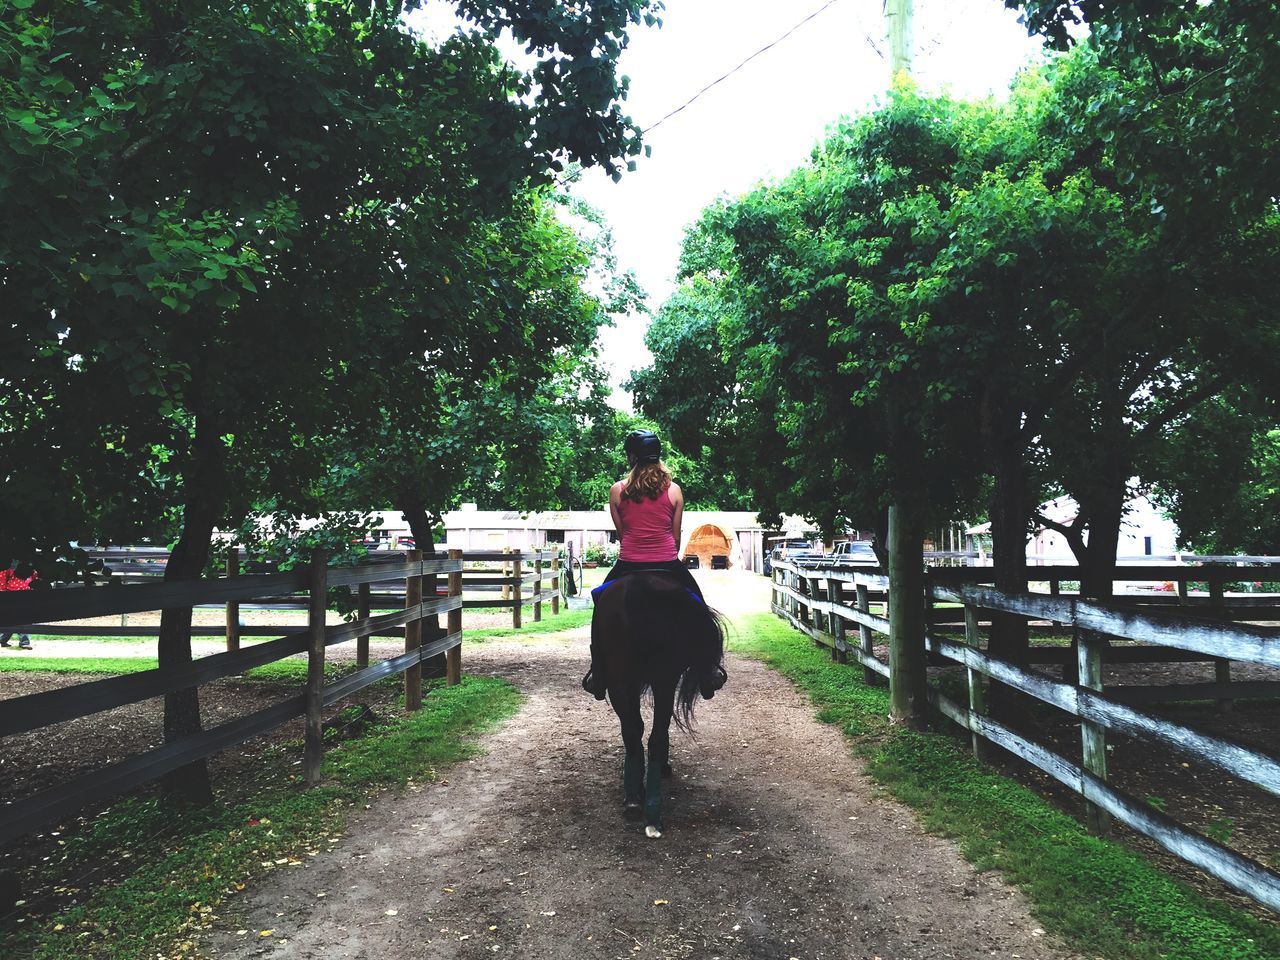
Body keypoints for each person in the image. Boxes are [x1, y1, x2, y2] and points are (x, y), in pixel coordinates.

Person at [581, 429, 726, 699]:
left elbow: (623, 534)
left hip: (628, 564)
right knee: (698, 604)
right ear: (657, 456)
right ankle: (707, 670)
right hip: (667, 564)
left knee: (601, 604)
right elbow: (675, 535)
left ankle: (598, 671)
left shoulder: (617, 490)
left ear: (632, 456)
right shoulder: (674, 491)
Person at [0, 561, 36, 650]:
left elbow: (3, 582)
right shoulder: (28, 578)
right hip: (20, 601)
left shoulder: (10, 573)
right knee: (22, 620)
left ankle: (3, 639)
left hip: (11, 599)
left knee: (12, 621)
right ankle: (24, 642)